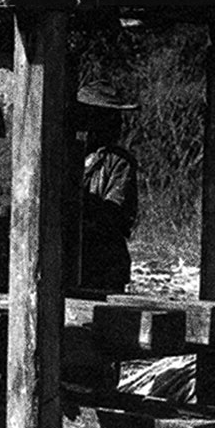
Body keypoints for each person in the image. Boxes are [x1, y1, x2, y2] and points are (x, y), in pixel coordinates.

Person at [73, 80, 139, 292]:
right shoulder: (67, 155)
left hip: (103, 264)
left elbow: (114, 214)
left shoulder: (119, 162)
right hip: (70, 261)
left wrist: (81, 203)